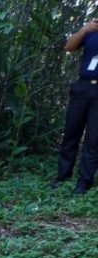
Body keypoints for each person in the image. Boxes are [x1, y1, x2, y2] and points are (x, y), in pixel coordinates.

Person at [52, 16, 98, 194]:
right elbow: (69, 47)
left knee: (94, 139)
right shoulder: (91, 30)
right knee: (71, 133)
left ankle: (84, 183)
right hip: (82, 87)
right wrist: (85, 29)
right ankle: (62, 177)